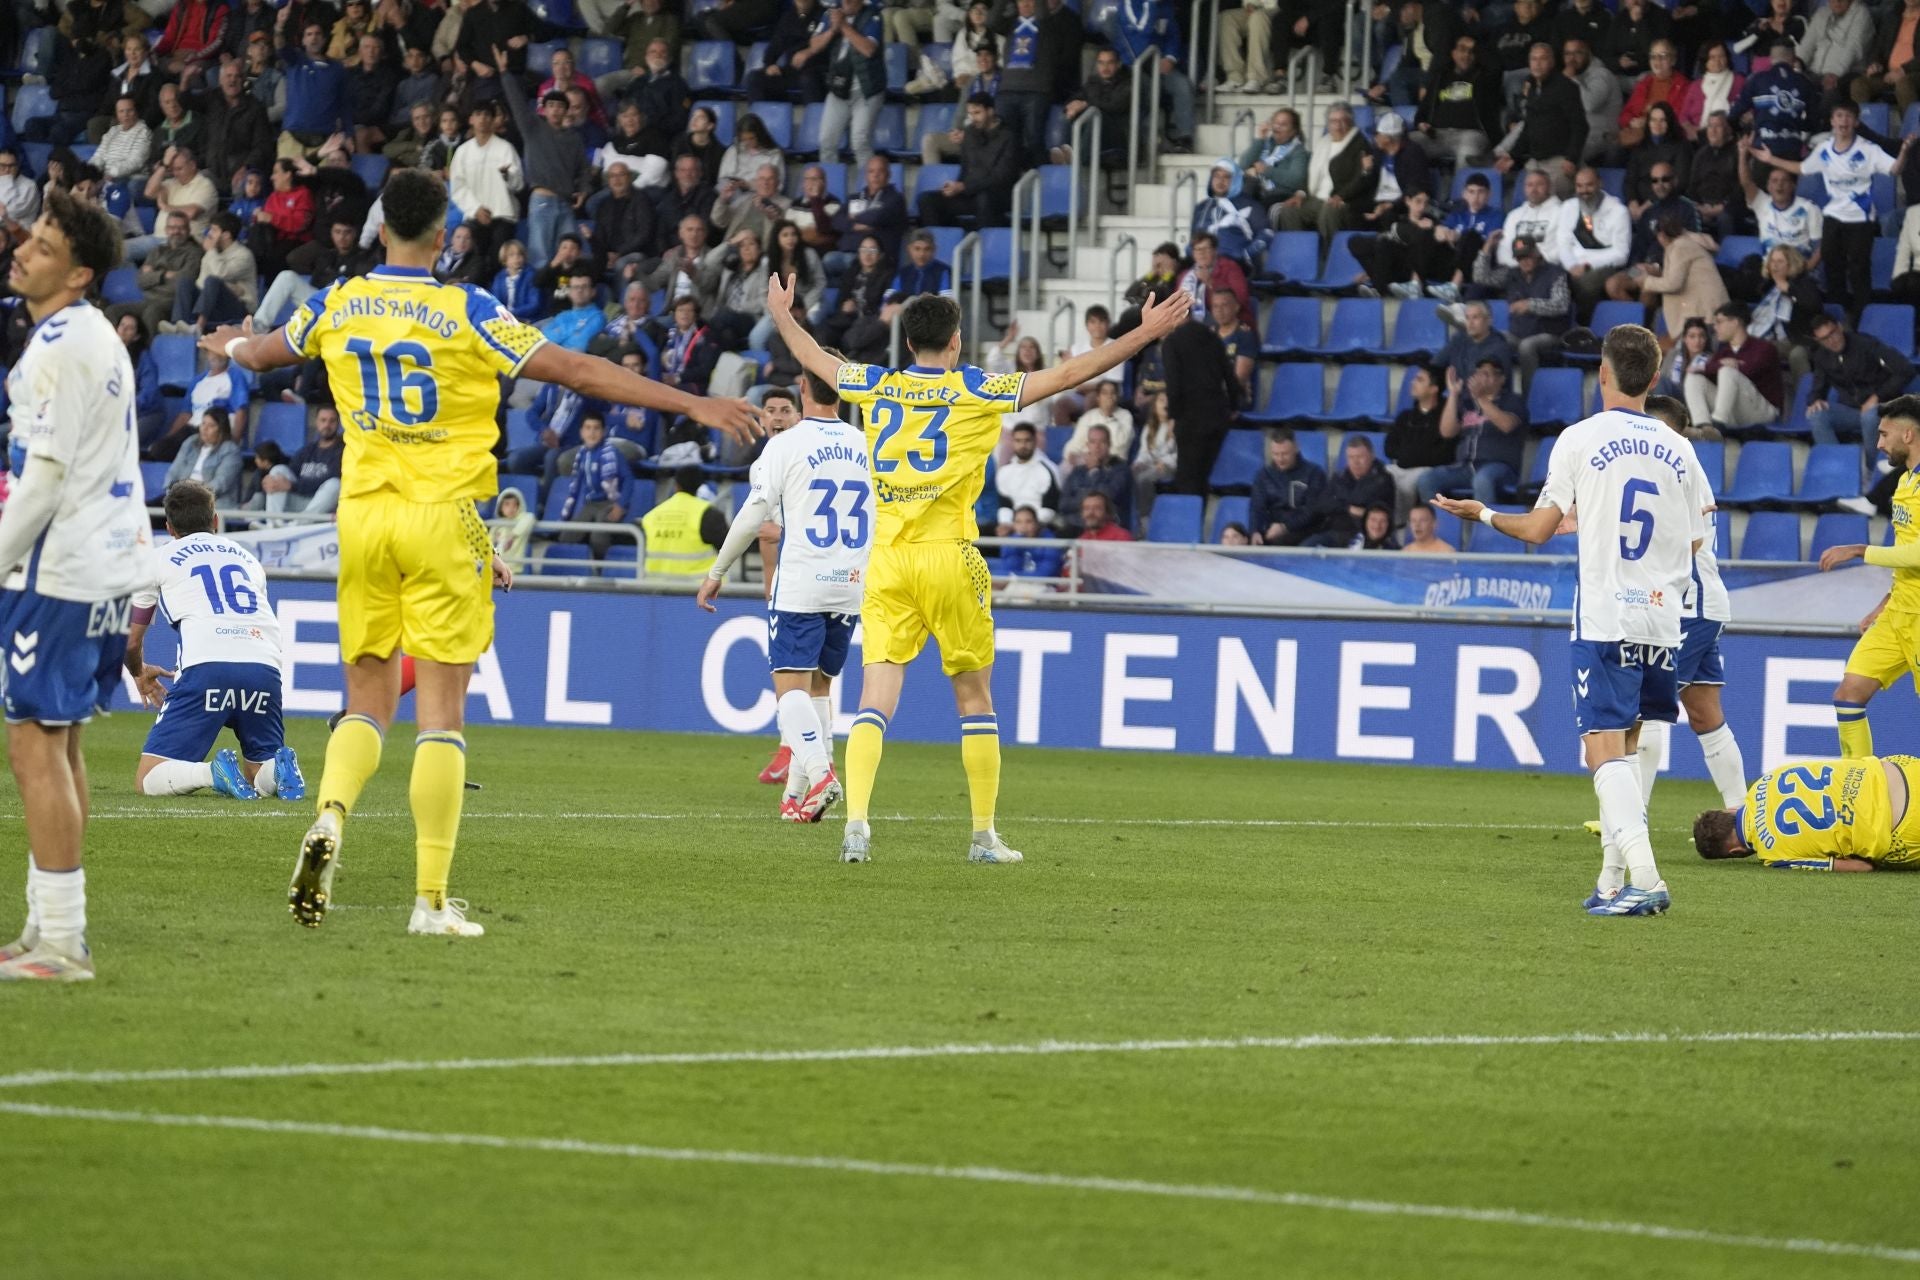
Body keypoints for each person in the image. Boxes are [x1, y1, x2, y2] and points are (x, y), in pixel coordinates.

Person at [206, 168, 760, 936]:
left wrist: (227, 341)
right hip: (442, 520)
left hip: (363, 520)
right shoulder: (465, 307)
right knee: (441, 713)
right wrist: (694, 401)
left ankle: (330, 816)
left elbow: (262, 352)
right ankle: (430, 901)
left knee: (366, 699)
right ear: (442, 236)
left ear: (378, 228)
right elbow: (579, 369)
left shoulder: (338, 299)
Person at [768, 274, 1189, 864]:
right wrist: (1143, 334)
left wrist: (784, 314)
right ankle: (983, 836)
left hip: (886, 559)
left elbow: (813, 357)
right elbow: (1070, 375)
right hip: (951, 554)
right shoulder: (977, 389)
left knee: (874, 696)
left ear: (909, 346)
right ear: (957, 341)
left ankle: (857, 826)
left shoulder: (875, 383)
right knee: (973, 697)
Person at [1434, 324, 1704, 917]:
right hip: (1662, 621)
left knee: (1600, 749)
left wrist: (1481, 511)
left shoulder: (1579, 439)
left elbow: (1535, 530)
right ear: (1654, 379)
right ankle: (1612, 881)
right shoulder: (1680, 449)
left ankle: (1648, 878)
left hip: (1607, 615)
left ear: (1602, 374)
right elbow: (1692, 542)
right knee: (1629, 747)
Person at [0, 193, 151, 981]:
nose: (25, 250)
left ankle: (62, 944)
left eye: (47, 246)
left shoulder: (59, 345)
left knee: (32, 748)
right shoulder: (91, 336)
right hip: (104, 564)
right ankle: (46, 927)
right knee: (60, 743)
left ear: (80, 273)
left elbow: (46, 475)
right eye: (31, 237)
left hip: (58, 569)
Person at [697, 361, 866, 822]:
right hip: (851, 582)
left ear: (804, 389)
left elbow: (753, 514)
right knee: (819, 689)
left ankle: (820, 774)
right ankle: (797, 796)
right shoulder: (866, 443)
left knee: (788, 689)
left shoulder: (786, 444)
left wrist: (718, 570)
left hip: (801, 582)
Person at [124, 479, 304, 803]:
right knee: (257, 770)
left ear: (169, 527)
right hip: (264, 667)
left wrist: (139, 673)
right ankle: (277, 770)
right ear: (216, 520)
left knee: (148, 777)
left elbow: (130, 642)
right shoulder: (248, 561)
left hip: (207, 667)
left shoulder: (158, 558)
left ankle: (212, 772)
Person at [1816, 403, 1920, 756]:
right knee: (1848, 696)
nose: (1878, 444)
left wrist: (1861, 550)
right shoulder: (1905, 482)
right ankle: (1859, 786)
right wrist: (1884, 604)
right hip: (1898, 614)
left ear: (1908, 434)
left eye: (1884, 434)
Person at [1754, 103, 1907, 324]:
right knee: (1833, 267)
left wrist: (1903, 153)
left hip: (1860, 218)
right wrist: (1771, 160)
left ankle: (1862, 316)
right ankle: (1838, 313)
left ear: (1855, 122)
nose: (1843, 121)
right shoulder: (1824, 149)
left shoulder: (1867, 149)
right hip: (1833, 216)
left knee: (1858, 269)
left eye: (1848, 116)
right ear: (1832, 121)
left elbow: (1894, 170)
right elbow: (1802, 168)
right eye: (1839, 115)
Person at [1693, 756, 1919, 870]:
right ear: (1731, 810)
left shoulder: (1774, 856)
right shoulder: (1765, 780)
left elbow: (1860, 867)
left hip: (1905, 824)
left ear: (1734, 851)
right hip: (1901, 769)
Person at [1807, 314, 1915, 471]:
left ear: (1840, 327)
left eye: (1833, 333)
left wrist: (1877, 396)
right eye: (1824, 339)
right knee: (1817, 415)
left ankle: (1873, 472)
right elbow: (1817, 387)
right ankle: (1841, 470)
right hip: (1852, 409)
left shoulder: (1865, 344)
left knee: (1870, 416)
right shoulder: (1821, 356)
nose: (1832, 340)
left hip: (1884, 408)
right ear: (1818, 341)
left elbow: (1905, 370)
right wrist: (1815, 399)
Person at [1418, 360, 1526, 503]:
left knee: (1482, 480)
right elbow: (1447, 432)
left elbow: (1507, 425)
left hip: (1499, 467)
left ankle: (1483, 526)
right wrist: (1453, 394)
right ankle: (1439, 524)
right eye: (1479, 373)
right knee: (1427, 479)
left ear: (1501, 379)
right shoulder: (1468, 403)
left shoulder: (1512, 401)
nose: (1481, 378)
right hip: (1465, 467)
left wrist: (1480, 398)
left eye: (1487, 374)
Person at [1161, 317, 1241, 495]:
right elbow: (1230, 377)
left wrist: (1173, 415)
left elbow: (1173, 385)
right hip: (1217, 416)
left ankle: (1190, 521)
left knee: (1187, 479)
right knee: (1206, 476)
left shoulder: (1172, 342)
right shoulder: (1213, 338)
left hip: (1189, 419)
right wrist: (1234, 406)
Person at [916, 94, 1021, 229]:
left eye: (977, 113)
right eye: (970, 114)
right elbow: (965, 168)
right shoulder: (969, 132)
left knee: (984, 199)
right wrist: (954, 187)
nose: (973, 118)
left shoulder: (1009, 137)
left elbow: (1002, 177)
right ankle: (940, 244)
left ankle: (986, 245)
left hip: (998, 196)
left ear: (990, 111)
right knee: (926, 200)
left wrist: (963, 187)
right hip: (969, 193)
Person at [1684, 303, 1783, 433]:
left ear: (1735, 322)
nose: (1715, 328)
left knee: (1727, 372)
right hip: (1735, 411)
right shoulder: (1723, 352)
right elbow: (1708, 372)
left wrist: (1718, 366)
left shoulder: (1764, 348)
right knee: (1694, 378)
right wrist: (1719, 364)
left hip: (1763, 413)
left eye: (1719, 322)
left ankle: (1718, 424)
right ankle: (1703, 427)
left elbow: (1748, 370)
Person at [1384, 365, 1455, 521]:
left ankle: (1401, 526)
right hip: (1400, 467)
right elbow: (1389, 448)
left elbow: (1445, 454)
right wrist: (1410, 456)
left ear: (1434, 388)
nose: (1412, 382)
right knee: (1381, 475)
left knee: (1413, 481)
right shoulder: (1405, 416)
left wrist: (1411, 456)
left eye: (1420, 379)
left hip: (1426, 470)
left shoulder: (1445, 418)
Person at [1306, 436, 1396, 547]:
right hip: (1335, 532)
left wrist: (1338, 500)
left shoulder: (1383, 479)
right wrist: (1348, 508)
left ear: (1372, 456)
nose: (1355, 462)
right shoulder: (1339, 477)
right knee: (1307, 547)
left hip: (1366, 535)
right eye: (1351, 457)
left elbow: (1365, 502)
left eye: (1360, 457)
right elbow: (1321, 504)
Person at [262, 404, 345, 516]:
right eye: (323, 420)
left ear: (338, 423)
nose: (327, 425)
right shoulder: (308, 450)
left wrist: (292, 486)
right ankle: (273, 524)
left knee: (335, 484)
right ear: (316, 422)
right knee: (278, 471)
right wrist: (270, 481)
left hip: (323, 504)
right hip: (299, 500)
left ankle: (295, 526)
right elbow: (290, 474)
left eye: (332, 421)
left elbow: (330, 479)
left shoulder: (342, 451)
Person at [1249, 429, 1327, 545]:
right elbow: (1257, 507)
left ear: (1296, 448)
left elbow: (1312, 511)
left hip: (1306, 530)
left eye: (1285, 454)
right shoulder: (1263, 475)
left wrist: (1285, 527)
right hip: (1272, 530)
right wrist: (1255, 531)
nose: (1280, 459)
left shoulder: (1314, 473)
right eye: (1276, 454)